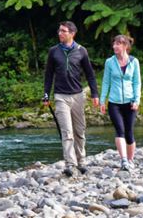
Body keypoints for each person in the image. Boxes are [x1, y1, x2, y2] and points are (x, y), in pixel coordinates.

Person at [42, 21, 100, 177]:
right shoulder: (53, 51)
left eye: (63, 31)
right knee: (67, 131)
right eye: (59, 30)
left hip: (78, 96)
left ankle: (81, 161)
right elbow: (48, 75)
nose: (60, 33)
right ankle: (70, 164)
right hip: (60, 96)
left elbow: (90, 74)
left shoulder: (82, 51)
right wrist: (46, 94)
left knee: (79, 131)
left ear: (72, 33)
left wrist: (95, 94)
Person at [99, 34, 141, 171]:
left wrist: (137, 100)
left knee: (129, 133)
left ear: (125, 46)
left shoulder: (134, 62)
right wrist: (102, 100)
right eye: (114, 44)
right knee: (120, 131)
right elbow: (106, 82)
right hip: (114, 103)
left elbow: (137, 83)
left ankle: (130, 160)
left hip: (130, 103)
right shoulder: (109, 62)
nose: (114, 46)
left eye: (118, 44)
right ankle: (123, 160)